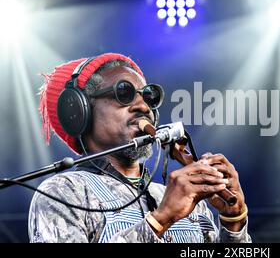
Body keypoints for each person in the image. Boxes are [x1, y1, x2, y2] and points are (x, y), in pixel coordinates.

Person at [29, 53, 251, 243]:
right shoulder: (63, 193)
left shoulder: (182, 197)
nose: (144, 106)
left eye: (149, 97)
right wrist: (160, 219)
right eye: (124, 93)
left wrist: (234, 223)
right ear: (81, 112)